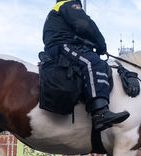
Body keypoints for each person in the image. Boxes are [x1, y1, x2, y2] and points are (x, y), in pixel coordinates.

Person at [43, 0, 130, 131]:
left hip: (57, 45)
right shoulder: (69, 4)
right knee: (93, 62)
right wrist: (101, 44)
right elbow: (84, 25)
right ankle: (100, 112)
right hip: (64, 45)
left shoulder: (58, 8)